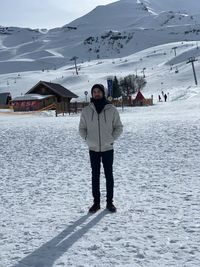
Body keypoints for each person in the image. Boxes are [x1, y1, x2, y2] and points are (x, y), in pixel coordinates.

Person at [79, 84, 123, 213]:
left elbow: (119, 127)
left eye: (99, 91)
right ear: (92, 94)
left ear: (103, 93)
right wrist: (88, 140)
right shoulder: (86, 111)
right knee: (95, 176)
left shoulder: (111, 109)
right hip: (93, 149)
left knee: (109, 175)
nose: (96, 94)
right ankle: (96, 203)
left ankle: (110, 203)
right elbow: (82, 129)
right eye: (94, 92)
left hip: (107, 148)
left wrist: (111, 139)